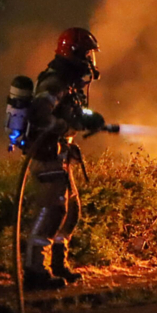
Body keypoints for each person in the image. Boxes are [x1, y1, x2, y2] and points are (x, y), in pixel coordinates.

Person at [23, 27, 107, 289]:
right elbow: (40, 113)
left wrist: (87, 120)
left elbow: (70, 111)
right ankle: (35, 271)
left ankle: (58, 265)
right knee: (52, 211)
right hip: (48, 153)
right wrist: (62, 126)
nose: (90, 61)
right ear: (73, 53)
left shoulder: (69, 82)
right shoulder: (55, 81)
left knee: (71, 212)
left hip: (61, 153)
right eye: (86, 54)